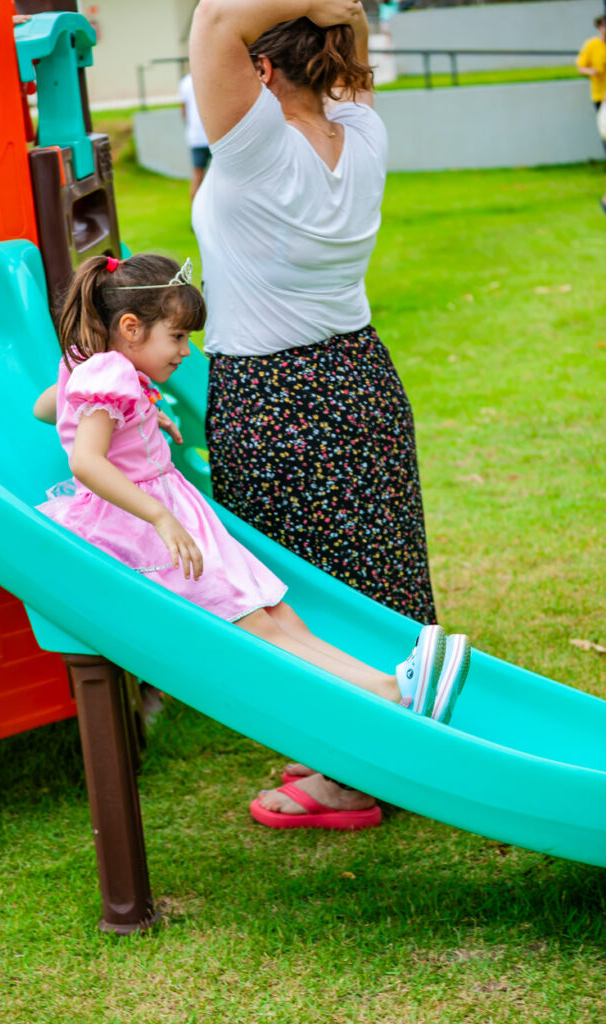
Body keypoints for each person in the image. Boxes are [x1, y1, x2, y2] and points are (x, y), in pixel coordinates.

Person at [33, 252, 471, 829]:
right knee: (261, 628)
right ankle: (393, 695)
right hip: (147, 530)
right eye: (177, 337)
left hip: (168, 514)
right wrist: (158, 515)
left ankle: (392, 686)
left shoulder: (97, 367)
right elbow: (86, 461)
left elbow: (47, 407)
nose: (185, 351)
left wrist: (135, 418)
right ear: (131, 328)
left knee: (279, 617)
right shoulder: (109, 374)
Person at [189, 1, 439, 816]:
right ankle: (390, 747)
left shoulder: (255, 143)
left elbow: (215, 16)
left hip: (275, 401)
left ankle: (348, 777)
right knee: (378, 579)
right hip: (361, 381)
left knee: (301, 597)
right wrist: (340, 14)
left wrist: (327, 9)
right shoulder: (361, 130)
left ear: (261, 69)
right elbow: (344, 42)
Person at [576, 15, 606, 212]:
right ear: (599, 27)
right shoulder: (592, 45)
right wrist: (591, 72)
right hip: (601, 98)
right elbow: (580, 66)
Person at [177, 72, 211, 202]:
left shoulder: (185, 82)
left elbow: (183, 111)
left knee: (197, 174)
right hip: (213, 134)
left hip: (196, 137)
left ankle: (195, 211)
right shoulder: (210, 77)